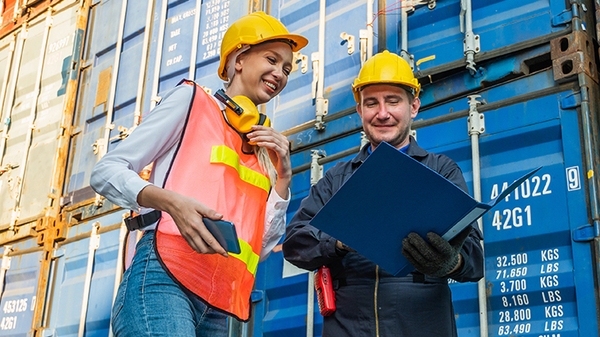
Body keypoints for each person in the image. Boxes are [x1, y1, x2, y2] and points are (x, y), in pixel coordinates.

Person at [91, 11, 307, 337]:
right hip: (164, 279)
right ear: (238, 59)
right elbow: (106, 171)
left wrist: (283, 178)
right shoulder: (192, 101)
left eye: (287, 68)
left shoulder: (264, 148)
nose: (280, 73)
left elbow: (258, 248)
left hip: (217, 305)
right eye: (272, 59)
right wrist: (171, 203)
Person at [282, 50, 484, 337]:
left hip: (421, 325)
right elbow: (294, 244)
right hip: (349, 328)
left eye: (393, 101)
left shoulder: (441, 171)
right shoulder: (337, 178)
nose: (382, 113)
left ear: (413, 106)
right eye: (371, 103)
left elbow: (475, 260)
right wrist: (339, 240)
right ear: (359, 111)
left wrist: (452, 262)